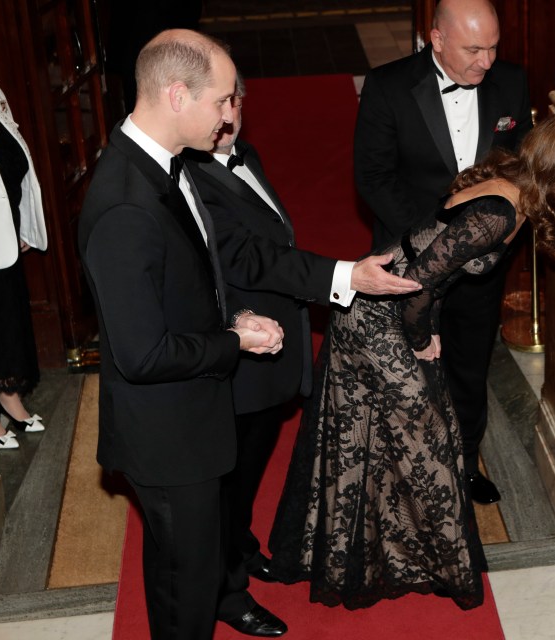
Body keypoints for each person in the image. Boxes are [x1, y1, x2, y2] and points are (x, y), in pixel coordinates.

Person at [269, 110, 555, 611]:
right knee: (431, 435)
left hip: (389, 315)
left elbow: (434, 272)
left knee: (394, 434)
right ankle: (442, 563)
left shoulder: (514, 185)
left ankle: (387, 555)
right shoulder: (500, 211)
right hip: (373, 320)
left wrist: (425, 325)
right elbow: (417, 283)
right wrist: (421, 334)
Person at [183, 73, 421, 625]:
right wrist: (345, 276)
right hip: (240, 346)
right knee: (226, 477)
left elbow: (275, 240)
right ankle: (225, 592)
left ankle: (238, 546)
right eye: (219, 103)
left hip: (273, 347)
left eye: (235, 100)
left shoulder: (245, 153)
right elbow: (248, 260)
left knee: (249, 464)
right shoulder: (189, 177)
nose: (229, 115)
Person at [78, 30, 287, 640]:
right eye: (222, 101)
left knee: (188, 569)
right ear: (176, 95)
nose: (231, 116)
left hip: (190, 418)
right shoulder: (125, 205)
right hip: (166, 436)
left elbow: (182, 284)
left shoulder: (165, 164)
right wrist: (237, 344)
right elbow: (141, 355)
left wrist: (229, 319)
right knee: (183, 593)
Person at [353, 0, 533, 504]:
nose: (487, 61)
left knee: (470, 369)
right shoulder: (388, 86)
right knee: (406, 371)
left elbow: (519, 167)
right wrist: (438, 238)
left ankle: (463, 463)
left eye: (494, 46)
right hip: (408, 263)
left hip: (479, 270)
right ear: (435, 39)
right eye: (474, 49)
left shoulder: (512, 83)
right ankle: (401, 475)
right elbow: (373, 177)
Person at [0, 77, 48, 450]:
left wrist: (23, 220)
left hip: (2, 228)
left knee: (6, 313)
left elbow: (14, 156)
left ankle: (8, 394)